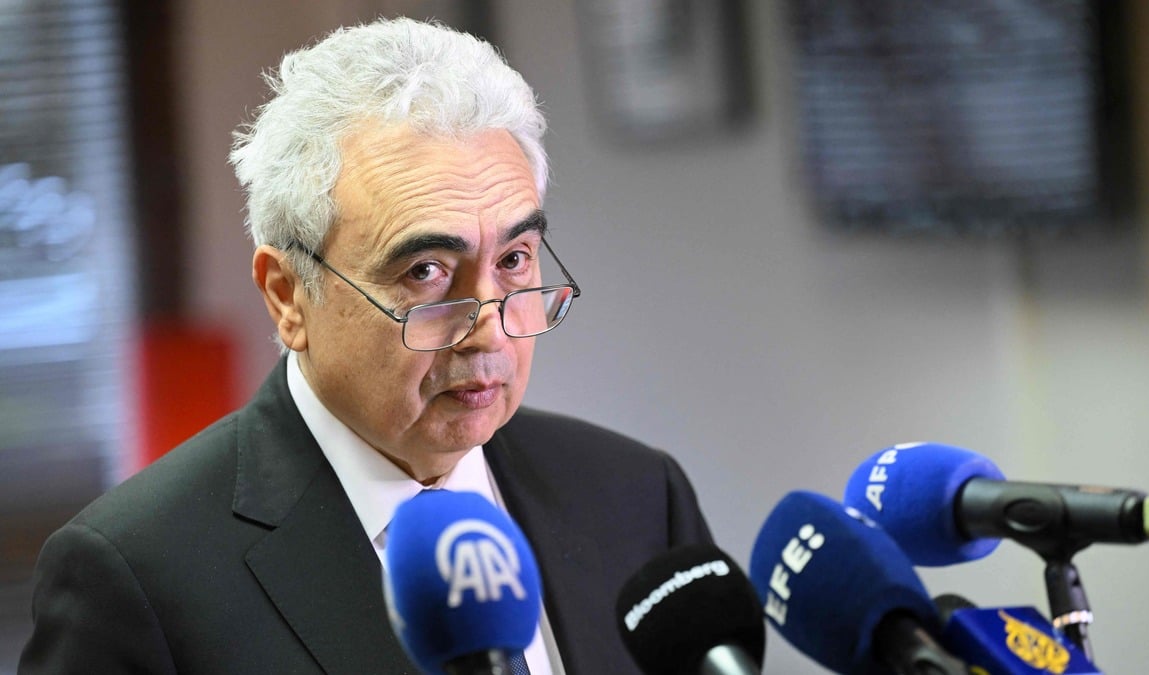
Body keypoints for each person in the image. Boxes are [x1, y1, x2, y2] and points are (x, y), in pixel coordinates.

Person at [19, 16, 712, 675]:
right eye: (426, 272)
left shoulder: (637, 497)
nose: (492, 329)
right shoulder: (137, 575)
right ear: (288, 295)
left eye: (515, 259)